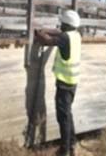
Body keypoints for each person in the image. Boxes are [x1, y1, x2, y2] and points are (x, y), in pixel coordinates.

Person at [34, 9, 81, 156]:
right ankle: (72, 144)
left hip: (64, 84)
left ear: (66, 25)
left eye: (62, 24)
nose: (60, 26)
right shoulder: (76, 35)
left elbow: (46, 40)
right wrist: (46, 30)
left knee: (63, 118)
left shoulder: (65, 38)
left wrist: (38, 33)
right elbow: (57, 32)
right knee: (68, 114)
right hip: (72, 83)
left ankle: (65, 150)